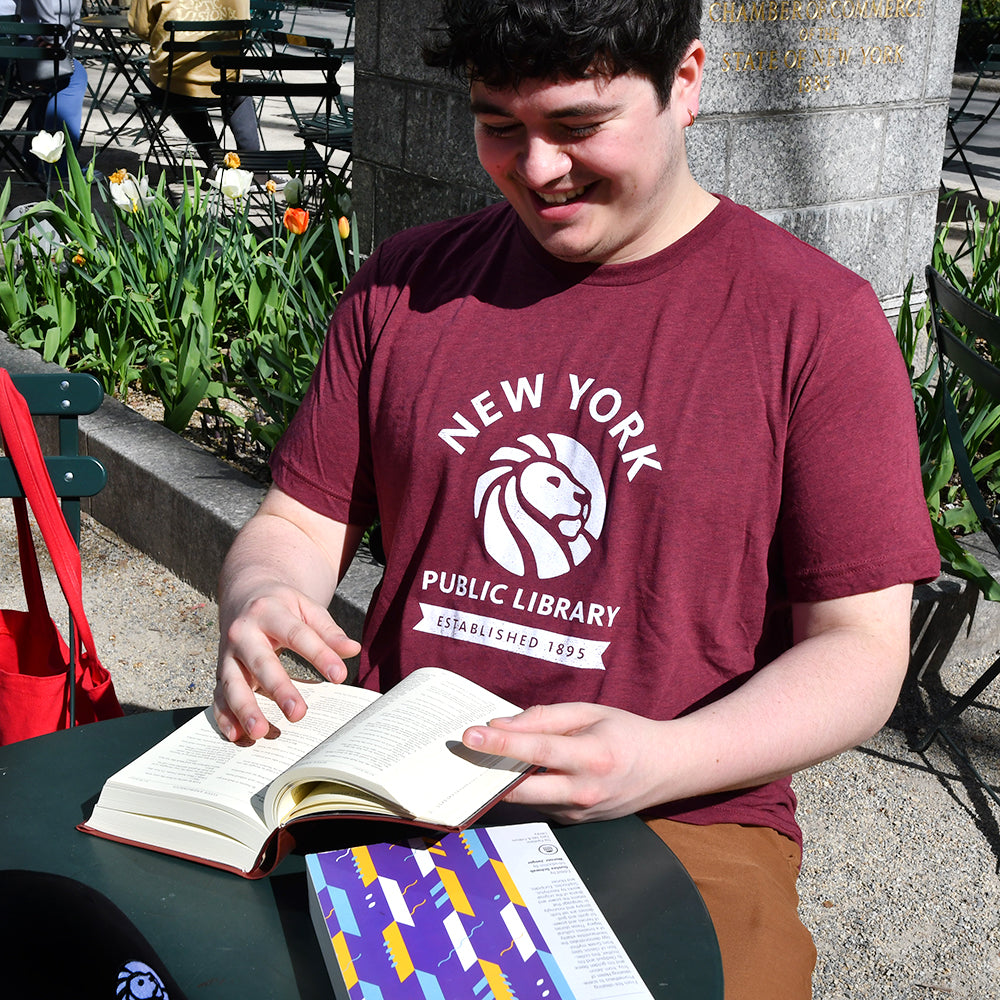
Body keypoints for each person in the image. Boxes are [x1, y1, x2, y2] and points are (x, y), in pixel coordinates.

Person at [212, 0, 940, 995]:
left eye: (577, 126)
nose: (537, 168)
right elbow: (295, 523)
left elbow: (861, 648)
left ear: (684, 82)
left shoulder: (813, 324)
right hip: (390, 792)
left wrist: (663, 756)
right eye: (499, 125)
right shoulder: (404, 287)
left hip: (680, 815)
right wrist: (260, 596)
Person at [128, 0, 260, 173]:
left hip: (172, 84)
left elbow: (141, 28)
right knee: (240, 95)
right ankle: (257, 170)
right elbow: (244, 27)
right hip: (224, 81)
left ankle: (215, 162)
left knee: (180, 91)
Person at [20, 0, 89, 180]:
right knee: (73, 76)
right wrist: (54, 40)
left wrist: (57, 44)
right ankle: (60, 168)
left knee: (56, 76)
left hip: (21, 42)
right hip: (15, 46)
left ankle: (34, 160)